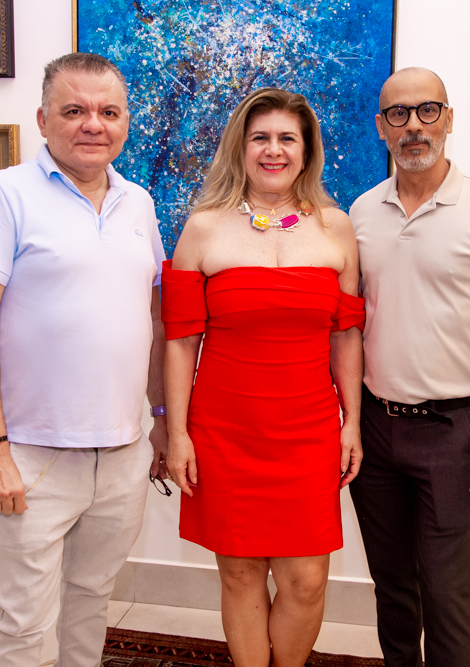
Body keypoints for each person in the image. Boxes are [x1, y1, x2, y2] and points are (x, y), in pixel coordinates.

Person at [0, 53, 168, 667]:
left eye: (108, 112)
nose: (93, 124)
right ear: (43, 120)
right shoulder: (5, 194)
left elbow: (153, 319)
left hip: (122, 452)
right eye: (74, 110)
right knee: (22, 622)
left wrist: (158, 419)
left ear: (125, 122)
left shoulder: (138, 202)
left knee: (92, 599)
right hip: (34, 455)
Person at [161, 88, 365, 667]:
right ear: (241, 147)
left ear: (306, 151)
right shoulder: (203, 229)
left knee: (307, 580)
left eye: (286, 139)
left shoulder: (336, 229)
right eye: (260, 138)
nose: (273, 150)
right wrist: (177, 433)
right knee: (240, 572)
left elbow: (346, 335)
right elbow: (180, 341)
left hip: (309, 428)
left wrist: (352, 422)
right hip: (225, 429)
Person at [349, 67, 470, 667]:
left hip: (453, 433)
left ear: (449, 119)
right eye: (398, 114)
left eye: (427, 110)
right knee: (392, 588)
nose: (414, 126)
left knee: (447, 594)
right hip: (376, 428)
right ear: (381, 128)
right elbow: (349, 326)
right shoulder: (360, 213)